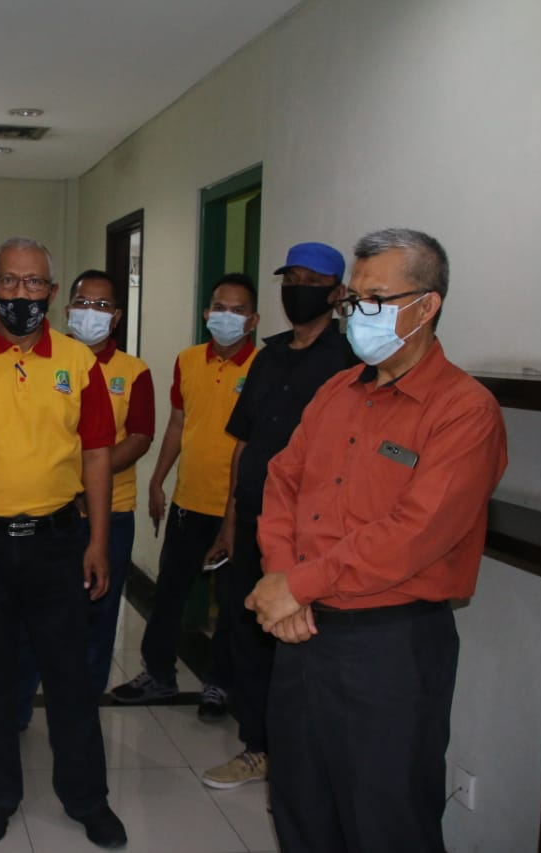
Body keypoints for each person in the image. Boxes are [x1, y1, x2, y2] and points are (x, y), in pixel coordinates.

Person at [247, 228, 507, 853]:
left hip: (389, 649)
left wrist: (296, 585)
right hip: (302, 635)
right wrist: (283, 579)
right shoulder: (338, 391)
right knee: (301, 807)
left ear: (426, 305)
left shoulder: (464, 410)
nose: (357, 313)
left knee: (386, 820)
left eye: (375, 299)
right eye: (352, 299)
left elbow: (413, 534)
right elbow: (282, 480)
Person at [0, 237, 127, 849]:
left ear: (52, 293)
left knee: (69, 678)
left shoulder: (78, 363)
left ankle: (87, 798)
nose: (21, 294)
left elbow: (97, 455)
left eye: (34, 283)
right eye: (9, 281)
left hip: (57, 543)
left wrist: (98, 541)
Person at [198, 243, 356, 790]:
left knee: (301, 642)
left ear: (337, 293)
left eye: (312, 281)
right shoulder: (266, 358)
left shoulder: (350, 362)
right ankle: (258, 747)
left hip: (310, 534)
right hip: (253, 521)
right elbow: (244, 445)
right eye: (291, 279)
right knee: (250, 634)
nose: (298, 289)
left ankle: (298, 756)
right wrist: (230, 520)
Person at [111, 273, 259, 722]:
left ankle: (219, 684)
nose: (226, 317)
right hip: (188, 500)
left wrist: (234, 515)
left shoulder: (264, 368)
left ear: (252, 320)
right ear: (206, 312)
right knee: (169, 593)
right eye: (219, 307)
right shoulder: (188, 360)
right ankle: (158, 673)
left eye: (237, 310)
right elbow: (178, 422)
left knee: (232, 602)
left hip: (236, 508)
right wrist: (158, 479)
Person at [18, 270, 155, 725]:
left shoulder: (134, 372)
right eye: (83, 302)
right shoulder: (41, 358)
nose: (90, 312)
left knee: (98, 612)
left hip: (110, 513)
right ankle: (19, 706)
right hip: (48, 510)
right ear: (67, 307)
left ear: (116, 316)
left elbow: (139, 437)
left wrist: (85, 477)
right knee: (37, 613)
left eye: (101, 306)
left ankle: (81, 708)